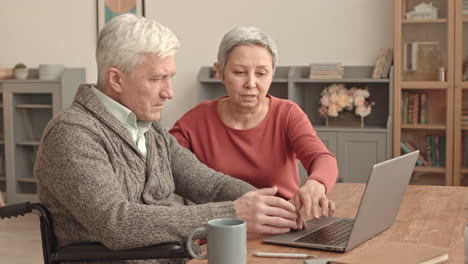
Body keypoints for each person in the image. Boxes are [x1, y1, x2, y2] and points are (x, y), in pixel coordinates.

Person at [33, 14, 299, 264]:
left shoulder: (152, 131)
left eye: (169, 77)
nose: (169, 92)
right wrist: (232, 213)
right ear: (115, 79)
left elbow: (210, 185)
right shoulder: (72, 134)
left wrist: (271, 208)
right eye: (157, 78)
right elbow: (116, 223)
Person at [170, 26, 338, 226]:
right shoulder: (195, 121)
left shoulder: (287, 114)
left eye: (261, 73)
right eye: (240, 72)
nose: (251, 83)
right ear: (219, 72)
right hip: (222, 230)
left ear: (272, 74)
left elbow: (322, 157)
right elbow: (163, 162)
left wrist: (316, 184)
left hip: (284, 225)